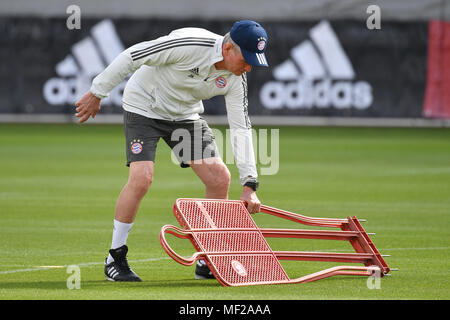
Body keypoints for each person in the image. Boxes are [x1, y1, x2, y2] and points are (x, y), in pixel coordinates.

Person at [75, 20, 269, 282]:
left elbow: (241, 128)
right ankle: (115, 256)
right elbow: (133, 55)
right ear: (228, 49)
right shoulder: (189, 44)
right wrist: (98, 92)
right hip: (144, 106)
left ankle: (207, 258)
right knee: (142, 177)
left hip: (185, 116)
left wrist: (250, 184)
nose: (248, 67)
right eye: (245, 59)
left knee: (219, 178)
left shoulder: (237, 78)